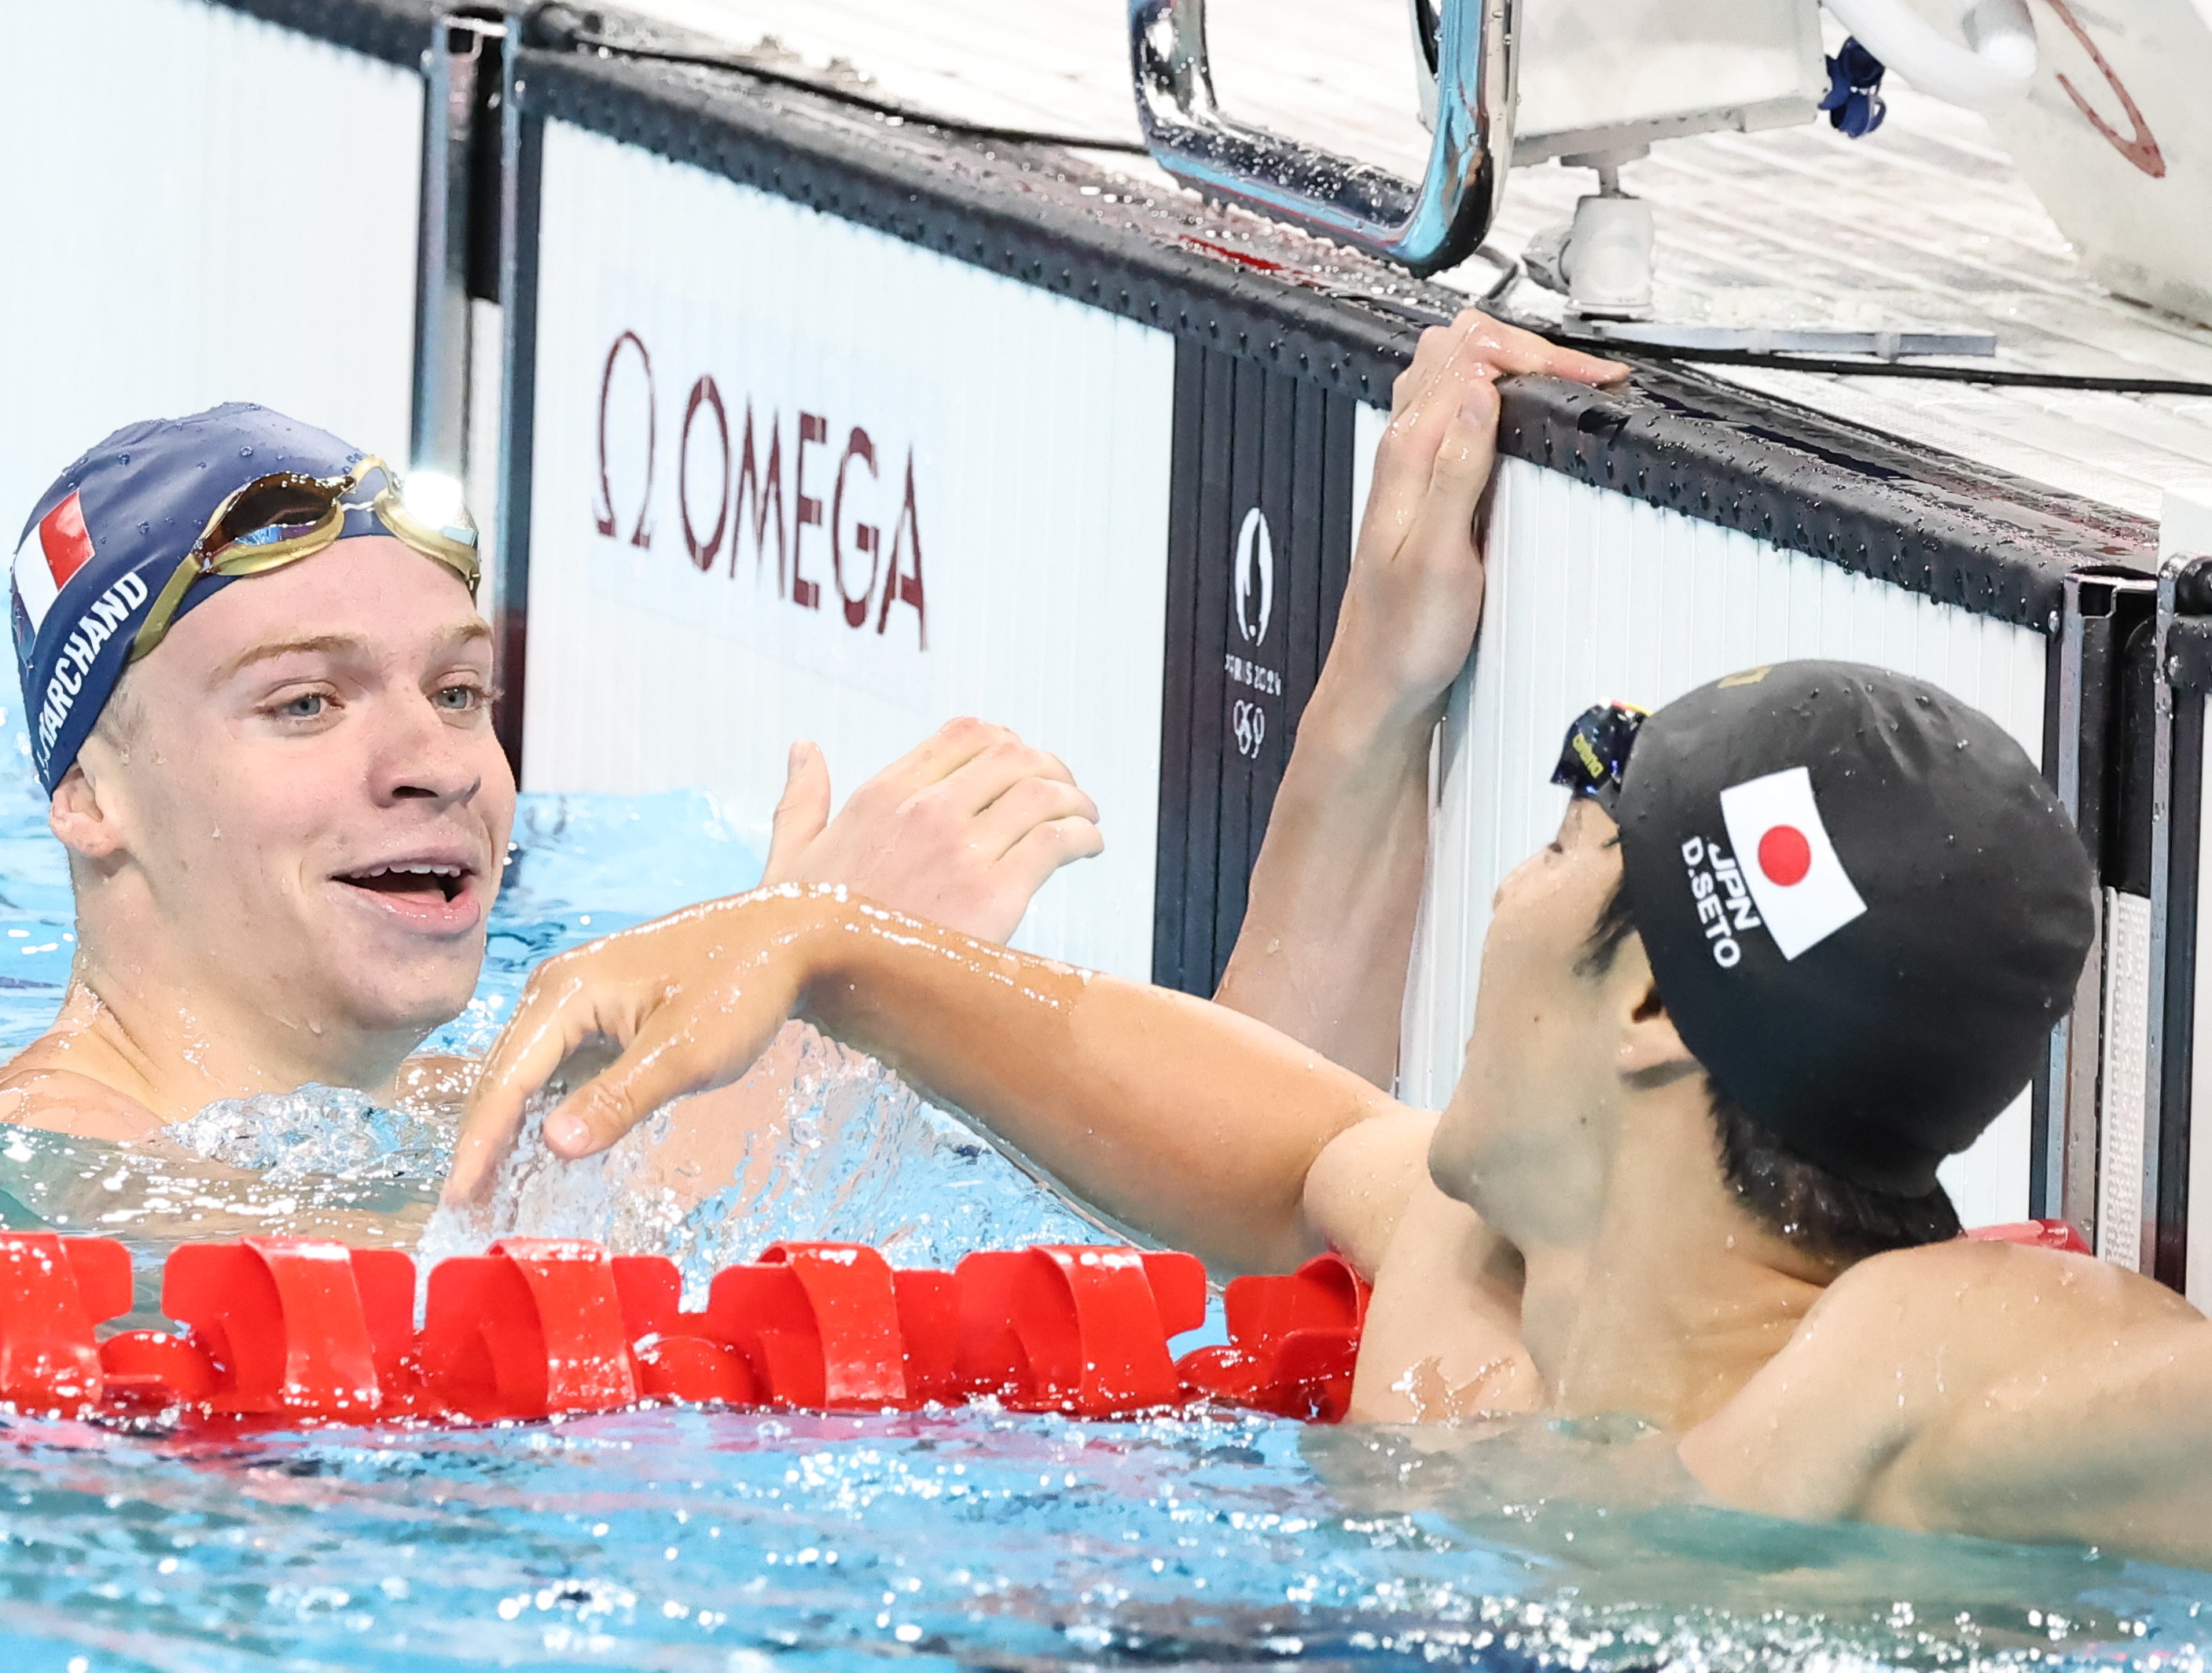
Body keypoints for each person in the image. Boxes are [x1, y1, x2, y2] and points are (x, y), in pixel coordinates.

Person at [440, 313, 2212, 1568]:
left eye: (1554, 846)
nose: (1510, 895)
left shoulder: (1911, 1386)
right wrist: (833, 946)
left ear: (1656, 999)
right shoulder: (1468, 1283)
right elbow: (1293, 1140)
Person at [0, 404, 1104, 1138]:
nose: (438, 765)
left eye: (457, 693)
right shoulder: (43, 1164)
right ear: (92, 797)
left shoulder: (458, 1111)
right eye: (305, 703)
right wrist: (829, 983)